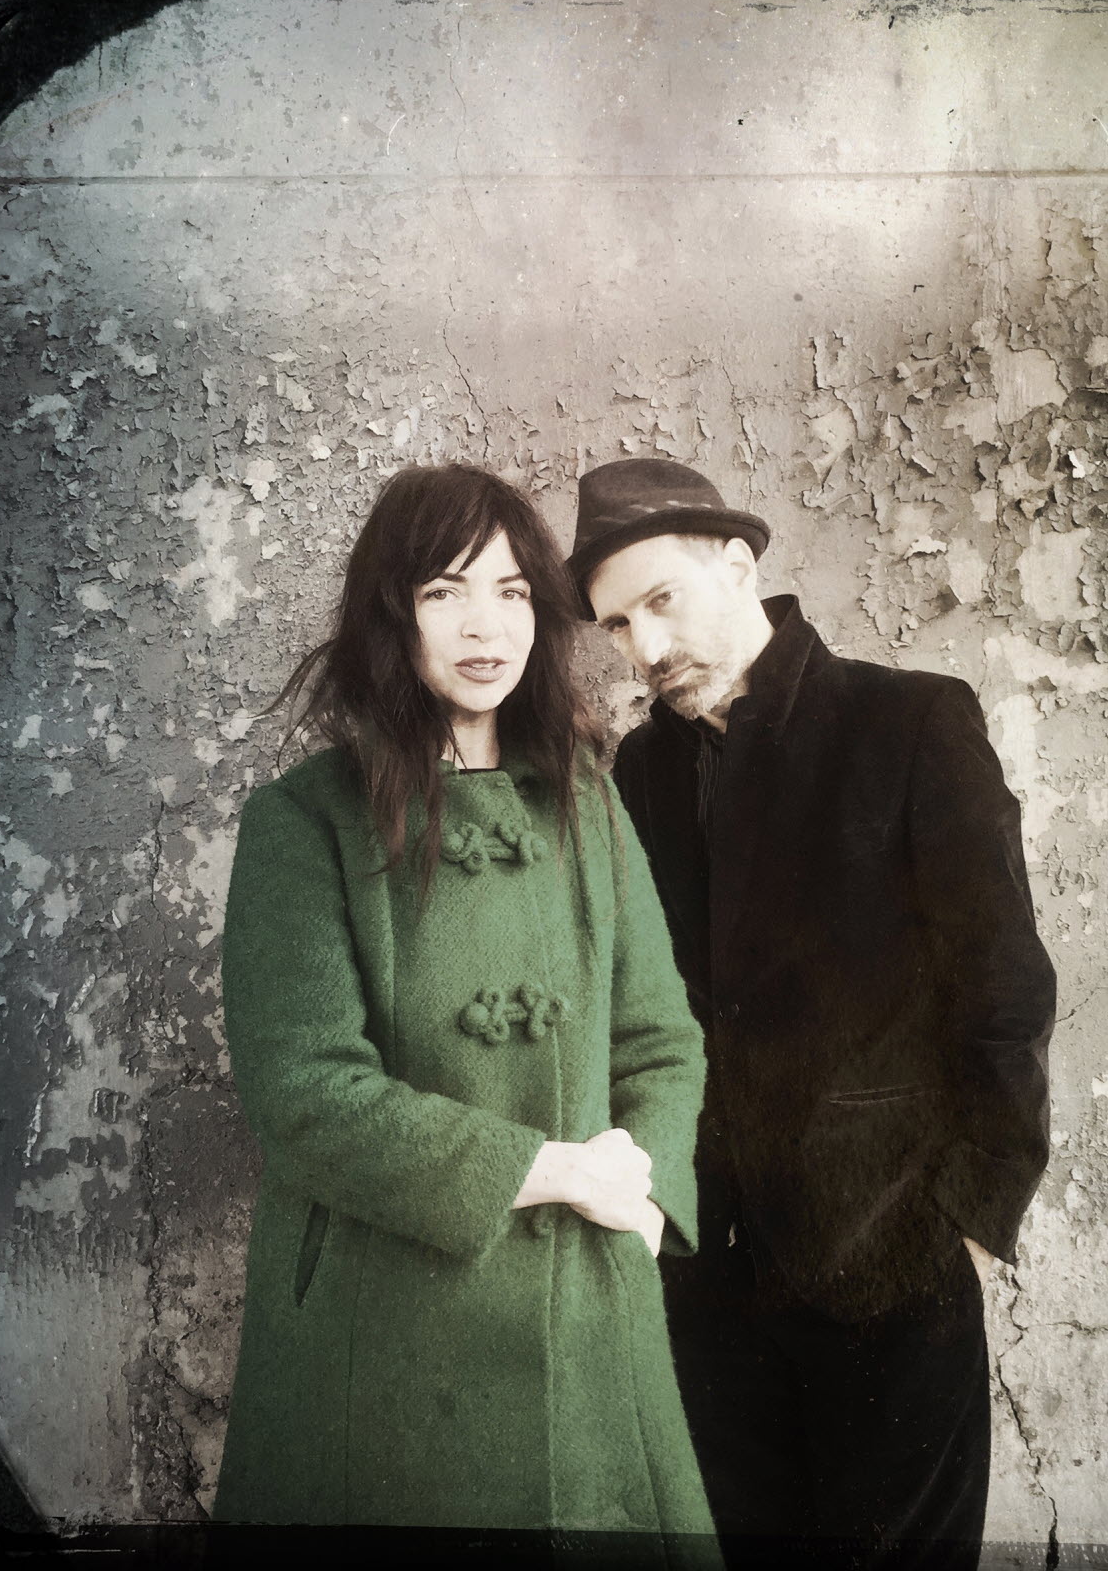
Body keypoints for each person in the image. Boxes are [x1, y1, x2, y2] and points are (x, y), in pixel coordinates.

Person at [212, 462, 716, 1556]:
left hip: (587, 1312)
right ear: (392, 615)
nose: (485, 626)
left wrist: (640, 1197)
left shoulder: (587, 801)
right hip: (382, 1337)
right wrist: (551, 1170)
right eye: (444, 592)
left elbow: (661, 1040)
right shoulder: (303, 823)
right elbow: (304, 1093)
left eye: (511, 591)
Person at [567, 456, 1058, 1569]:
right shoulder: (639, 771)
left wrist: (972, 1220)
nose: (645, 647)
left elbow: (1006, 986)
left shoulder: (912, 722)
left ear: (739, 567)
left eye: (661, 601)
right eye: (617, 625)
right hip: (709, 1286)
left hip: (892, 1264)